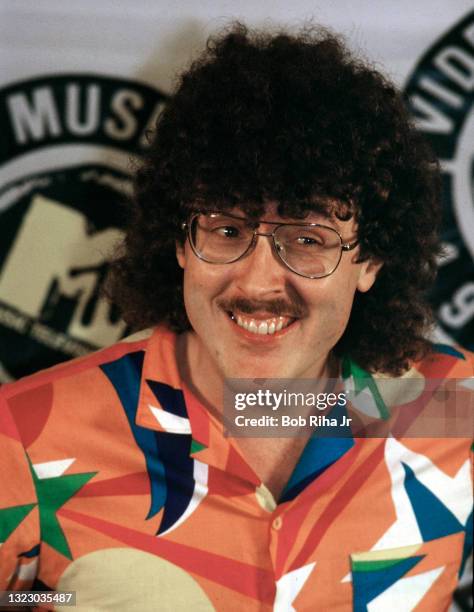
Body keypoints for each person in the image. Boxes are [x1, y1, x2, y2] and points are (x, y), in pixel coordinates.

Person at [0, 23, 472, 611]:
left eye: (307, 238)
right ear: (178, 241)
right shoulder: (22, 437)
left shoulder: (457, 410)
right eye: (227, 230)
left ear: (371, 259)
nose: (257, 282)